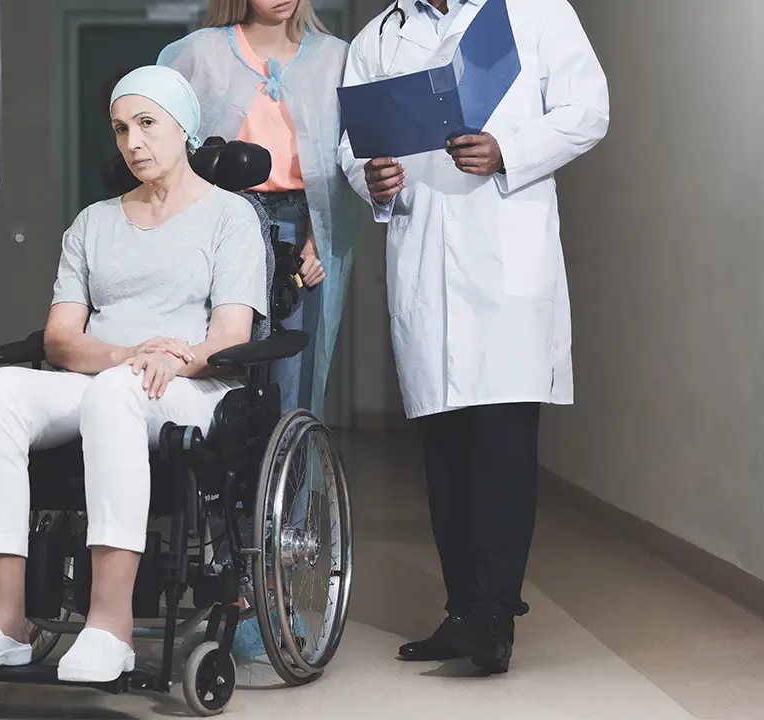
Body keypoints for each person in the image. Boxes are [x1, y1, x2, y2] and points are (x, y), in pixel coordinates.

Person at [0, 65, 268, 684]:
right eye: (121, 129)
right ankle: (5, 623)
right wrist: (131, 353)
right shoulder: (93, 223)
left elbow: (230, 335)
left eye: (147, 124)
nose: (133, 142)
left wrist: (173, 358)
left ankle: (108, 626)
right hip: (111, 376)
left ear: (185, 128)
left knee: (116, 393)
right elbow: (61, 338)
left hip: (194, 386)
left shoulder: (231, 217)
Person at [338, 0, 609, 673]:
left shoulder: (534, 11)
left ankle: (492, 616)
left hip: (506, 259)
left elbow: (587, 110)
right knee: (445, 445)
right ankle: (464, 612)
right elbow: (353, 143)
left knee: (502, 439)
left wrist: (507, 150)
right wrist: (374, 179)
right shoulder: (378, 37)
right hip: (424, 261)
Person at [158, 0, 358, 424]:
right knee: (216, 362)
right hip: (220, 226)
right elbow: (166, 145)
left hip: (298, 230)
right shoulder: (198, 53)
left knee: (290, 383)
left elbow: (347, 160)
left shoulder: (335, 58)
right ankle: (216, 487)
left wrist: (317, 240)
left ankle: (287, 489)